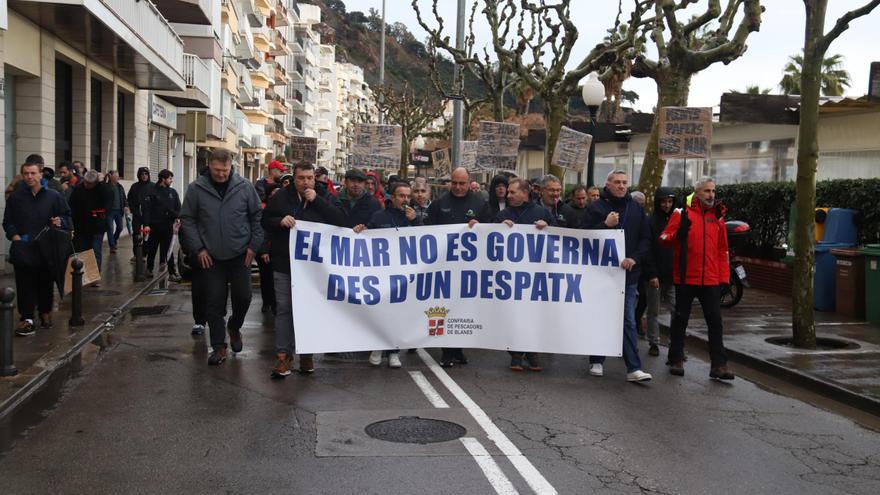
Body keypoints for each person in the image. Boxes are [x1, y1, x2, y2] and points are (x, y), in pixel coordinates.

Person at [179, 149, 263, 366]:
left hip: (240, 255)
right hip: (210, 257)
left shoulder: (244, 187)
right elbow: (187, 220)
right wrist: (198, 248)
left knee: (244, 298)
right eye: (217, 170)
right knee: (214, 303)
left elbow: (257, 217)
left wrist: (254, 246)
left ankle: (234, 327)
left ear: (231, 167)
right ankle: (218, 346)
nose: (222, 174)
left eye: (225, 170)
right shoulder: (196, 189)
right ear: (209, 166)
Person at [262, 163, 345, 377]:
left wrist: (316, 200)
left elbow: (340, 220)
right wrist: (280, 220)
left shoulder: (324, 196)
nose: (305, 182)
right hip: (284, 264)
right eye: (301, 178)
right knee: (284, 309)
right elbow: (265, 220)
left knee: (308, 309)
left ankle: (306, 354)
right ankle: (283, 356)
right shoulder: (281, 198)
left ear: (315, 179)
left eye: (309, 178)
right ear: (294, 178)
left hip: (313, 269)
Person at [660, 177, 734, 380]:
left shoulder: (717, 217)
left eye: (713, 191)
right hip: (685, 277)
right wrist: (678, 235)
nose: (711, 195)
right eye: (707, 191)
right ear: (697, 192)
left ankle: (719, 365)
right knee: (680, 320)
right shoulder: (681, 214)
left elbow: (722, 250)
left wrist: (724, 278)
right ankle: (676, 358)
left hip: (710, 279)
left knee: (715, 322)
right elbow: (664, 238)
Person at [582, 170, 652, 382]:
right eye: (617, 182)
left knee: (628, 321)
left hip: (627, 276)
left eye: (624, 182)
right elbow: (583, 236)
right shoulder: (596, 208)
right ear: (608, 184)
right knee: (601, 317)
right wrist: (604, 225)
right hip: (601, 275)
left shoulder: (636, 209)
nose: (622, 186)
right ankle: (596, 359)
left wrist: (634, 258)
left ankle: (633, 368)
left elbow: (645, 239)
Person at [354, 182, 422, 369]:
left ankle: (393, 351)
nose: (405, 199)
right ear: (392, 197)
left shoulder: (415, 218)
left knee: (399, 313)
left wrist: (415, 221)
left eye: (408, 196)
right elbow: (367, 237)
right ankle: (377, 347)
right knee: (381, 311)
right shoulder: (379, 216)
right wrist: (361, 231)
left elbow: (426, 239)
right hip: (382, 273)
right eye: (401, 195)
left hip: (405, 274)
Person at [3, 157, 71, 335]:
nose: (29, 177)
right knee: (25, 285)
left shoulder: (53, 196)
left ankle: (45, 312)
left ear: (41, 174)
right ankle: (27, 318)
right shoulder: (16, 197)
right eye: (26, 173)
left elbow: (66, 216)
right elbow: (7, 222)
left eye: (33, 173)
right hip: (23, 248)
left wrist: (60, 221)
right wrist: (15, 236)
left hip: (45, 248)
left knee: (45, 283)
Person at [426, 167, 486, 367]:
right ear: (450, 182)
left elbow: (492, 227)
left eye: (462, 183)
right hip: (444, 266)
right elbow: (426, 231)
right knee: (446, 308)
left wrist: (482, 226)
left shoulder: (480, 203)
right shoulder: (439, 204)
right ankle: (447, 351)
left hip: (470, 267)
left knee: (464, 309)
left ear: (469, 183)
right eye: (455, 182)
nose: (458, 187)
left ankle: (458, 349)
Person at [496, 178, 555, 372]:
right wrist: (499, 227)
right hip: (510, 275)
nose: (508, 195)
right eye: (508, 193)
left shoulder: (541, 212)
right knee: (513, 314)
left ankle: (532, 352)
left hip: (536, 274)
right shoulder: (503, 214)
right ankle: (516, 353)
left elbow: (559, 236)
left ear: (524, 193)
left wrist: (547, 226)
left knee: (533, 314)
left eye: (513, 192)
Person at [642, 187, 677, 357]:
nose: (667, 205)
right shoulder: (650, 221)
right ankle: (654, 342)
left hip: (672, 275)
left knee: (676, 310)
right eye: (663, 201)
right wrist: (651, 274)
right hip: (655, 275)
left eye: (670, 201)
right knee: (653, 311)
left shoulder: (677, 220)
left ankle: (675, 343)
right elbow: (647, 250)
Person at [69, 170, 112, 273]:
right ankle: (82, 274)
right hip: (81, 226)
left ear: (96, 182)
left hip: (97, 226)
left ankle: (94, 275)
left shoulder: (102, 189)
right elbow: (71, 205)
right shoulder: (78, 189)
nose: (87, 185)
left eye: (90, 183)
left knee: (95, 250)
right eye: (85, 182)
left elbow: (109, 197)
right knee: (81, 251)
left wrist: (102, 183)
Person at [142, 169, 181, 279]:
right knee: (152, 249)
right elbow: (146, 210)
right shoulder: (152, 192)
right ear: (163, 179)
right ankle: (149, 269)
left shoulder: (172, 193)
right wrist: (146, 224)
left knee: (168, 250)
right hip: (154, 226)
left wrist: (178, 217)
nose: (171, 180)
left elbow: (178, 207)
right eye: (169, 178)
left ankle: (172, 272)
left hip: (168, 226)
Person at [127, 167, 154, 261]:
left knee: (147, 235)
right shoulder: (134, 186)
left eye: (146, 174)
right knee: (136, 235)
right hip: (137, 214)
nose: (144, 176)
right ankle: (136, 254)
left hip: (148, 214)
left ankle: (144, 254)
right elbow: (129, 199)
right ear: (139, 175)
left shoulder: (152, 186)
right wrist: (132, 209)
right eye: (142, 174)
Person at [105, 170, 128, 254]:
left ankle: (114, 240)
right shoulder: (107, 186)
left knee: (120, 227)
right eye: (116, 176)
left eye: (118, 176)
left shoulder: (120, 187)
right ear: (111, 176)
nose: (117, 178)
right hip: (109, 211)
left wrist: (125, 206)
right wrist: (105, 179)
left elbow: (124, 198)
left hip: (119, 211)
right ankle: (112, 246)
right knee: (110, 229)